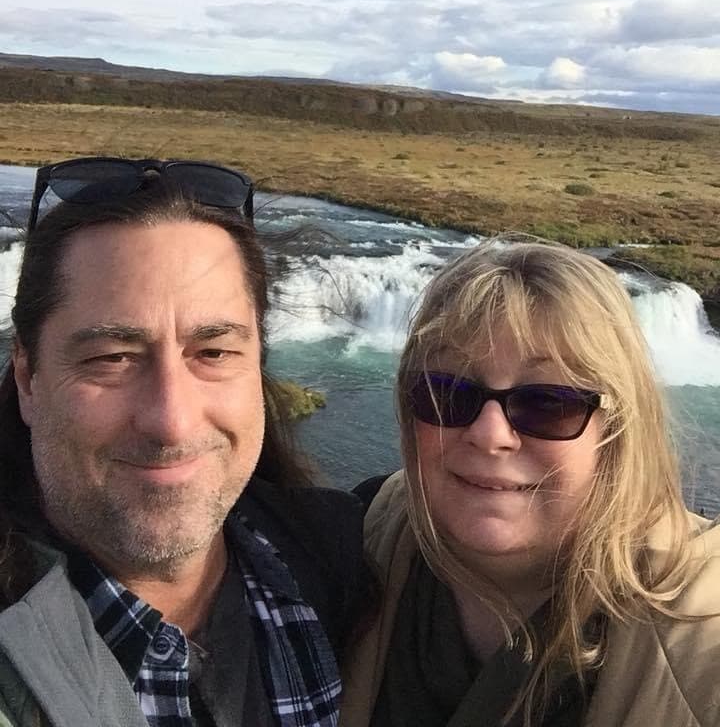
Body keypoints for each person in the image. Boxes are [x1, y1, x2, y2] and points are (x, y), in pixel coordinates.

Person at [0, 156, 366, 727]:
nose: (172, 420)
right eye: (111, 359)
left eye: (214, 353)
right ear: (28, 378)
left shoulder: (346, 560)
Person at [341, 241, 720, 727]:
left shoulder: (701, 626)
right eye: (447, 393)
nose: (490, 435)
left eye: (547, 402)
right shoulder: (354, 540)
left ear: (618, 428)